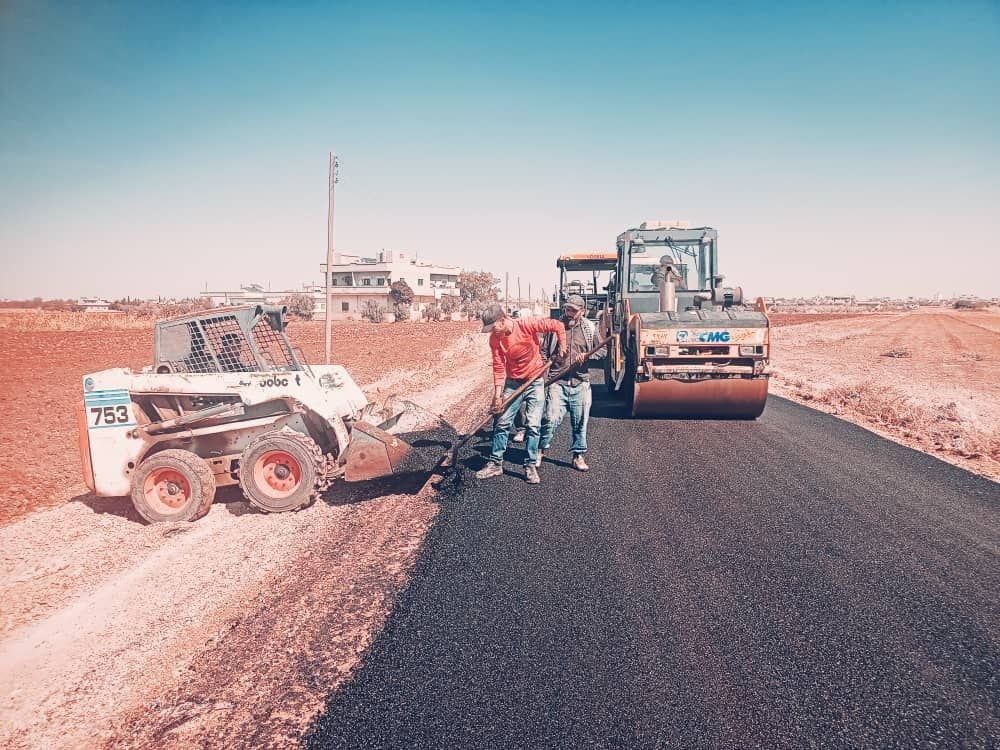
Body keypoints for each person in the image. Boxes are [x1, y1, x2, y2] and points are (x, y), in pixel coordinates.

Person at [476, 304, 566, 484]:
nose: (492, 332)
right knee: (502, 423)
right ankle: (495, 463)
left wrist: (562, 344)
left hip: (535, 381)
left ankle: (530, 465)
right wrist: (497, 395)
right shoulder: (495, 339)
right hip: (512, 382)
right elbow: (499, 366)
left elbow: (557, 325)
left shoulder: (526, 325)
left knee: (533, 425)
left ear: (502, 320)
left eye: (493, 327)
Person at [538, 295, 596, 472]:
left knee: (580, 423)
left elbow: (602, 351)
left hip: (580, 383)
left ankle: (578, 456)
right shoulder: (554, 327)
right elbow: (543, 352)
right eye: (567, 309)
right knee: (550, 419)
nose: (569, 313)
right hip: (558, 382)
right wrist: (544, 375)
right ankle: (540, 451)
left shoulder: (589, 328)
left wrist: (587, 356)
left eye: (573, 310)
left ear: (582, 311)